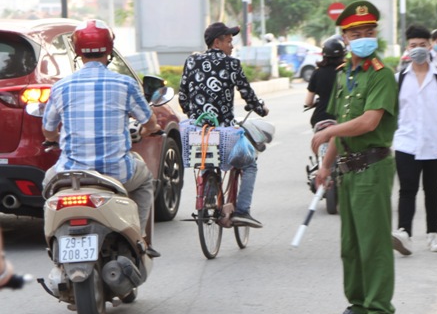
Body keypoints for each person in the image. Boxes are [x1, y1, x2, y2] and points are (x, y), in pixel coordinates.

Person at [311, 0, 398, 314]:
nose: (364, 37)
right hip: (348, 168)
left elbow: (367, 122)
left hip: (372, 167)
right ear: (344, 38)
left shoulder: (382, 75)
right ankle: (358, 304)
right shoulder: (345, 74)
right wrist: (325, 166)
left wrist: (330, 131)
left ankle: (380, 311)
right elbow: (343, 122)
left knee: (374, 243)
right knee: (351, 245)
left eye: (369, 31)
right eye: (356, 33)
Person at [42, 19, 162, 258]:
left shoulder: (61, 87)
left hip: (70, 175)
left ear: (77, 52)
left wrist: (55, 138)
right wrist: (149, 130)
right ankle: (139, 241)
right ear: (109, 50)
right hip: (115, 174)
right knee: (146, 180)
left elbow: (48, 130)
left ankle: (51, 239)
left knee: (47, 184)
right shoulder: (125, 83)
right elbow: (149, 122)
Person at [179, 22, 269, 228]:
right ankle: (242, 211)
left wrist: (193, 113)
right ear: (217, 42)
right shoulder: (232, 64)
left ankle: (208, 194)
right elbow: (247, 94)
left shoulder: (191, 61)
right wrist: (261, 109)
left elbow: (183, 96)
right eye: (229, 41)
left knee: (206, 159)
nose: (232, 46)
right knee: (249, 164)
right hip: (225, 134)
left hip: (196, 133)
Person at [391, 25, 437, 256]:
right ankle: (404, 233)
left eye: (422, 45)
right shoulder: (399, 79)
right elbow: (391, 113)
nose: (418, 50)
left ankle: (433, 234)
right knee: (407, 189)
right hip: (406, 143)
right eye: (413, 46)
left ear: (430, 46)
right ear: (407, 48)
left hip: (436, 144)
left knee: (432, 190)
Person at [305, 36, 345, 127]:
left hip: (321, 119)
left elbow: (308, 102)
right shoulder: (347, 71)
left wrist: (314, 103)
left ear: (324, 54)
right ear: (343, 54)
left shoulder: (317, 72)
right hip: (341, 119)